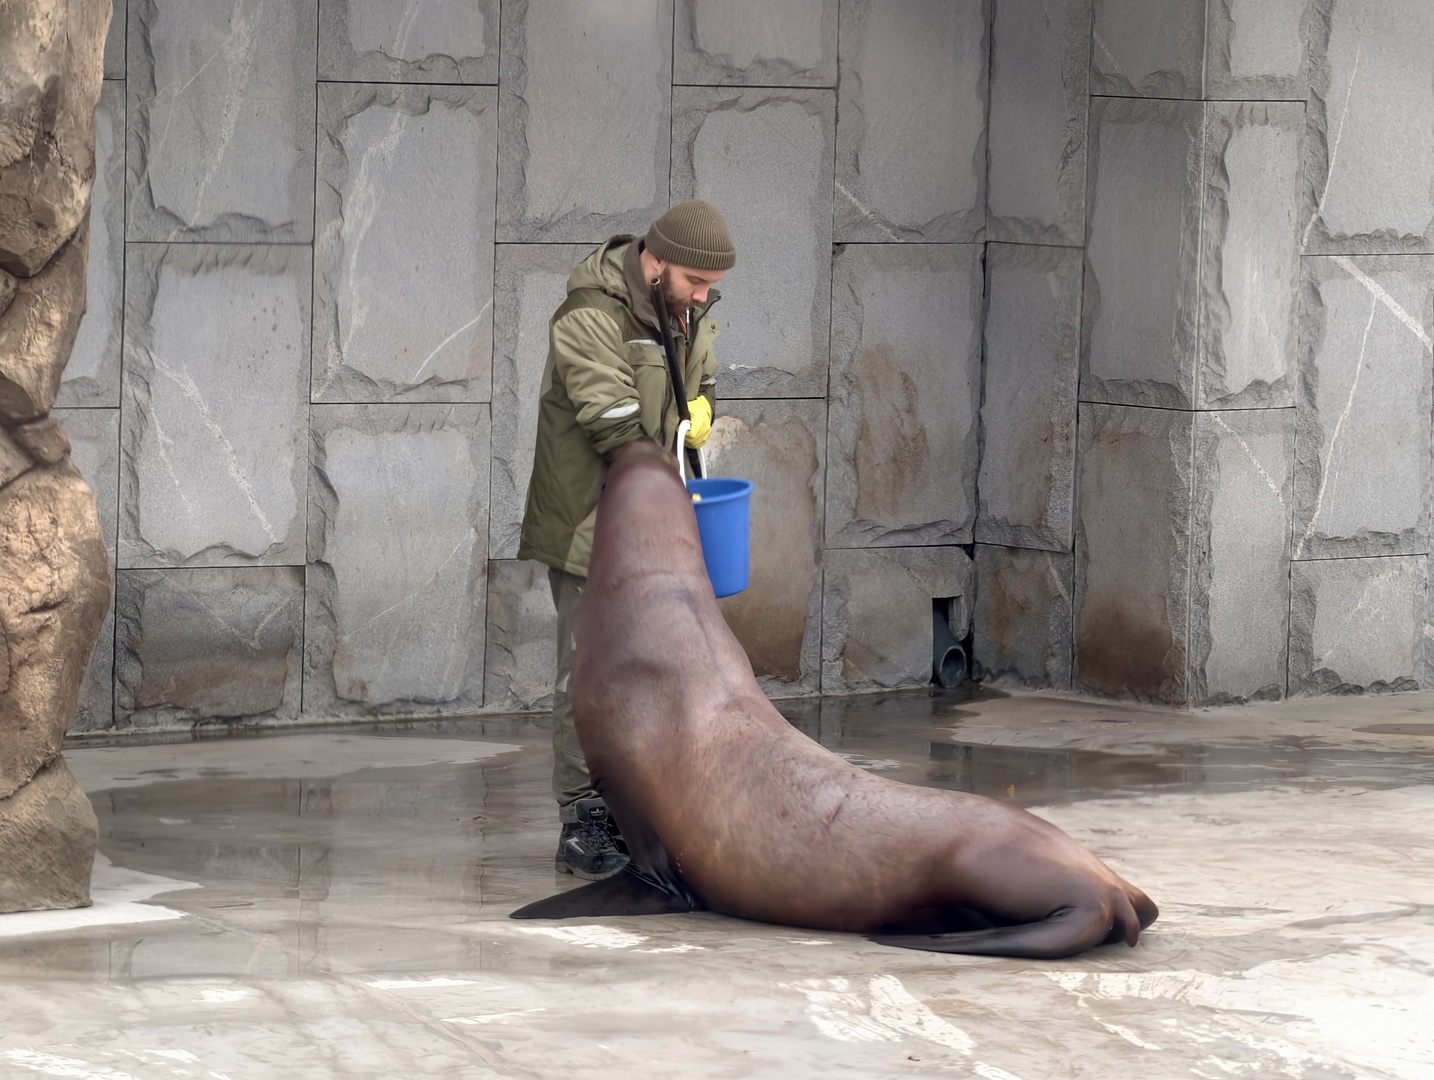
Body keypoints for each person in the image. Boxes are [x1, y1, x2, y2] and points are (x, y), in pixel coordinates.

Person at [517, 200, 736, 880]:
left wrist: (704, 408)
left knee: (650, 671)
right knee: (589, 674)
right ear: (657, 261)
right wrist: (666, 498)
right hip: (591, 523)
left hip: (649, 525)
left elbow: (700, 381)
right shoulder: (589, 313)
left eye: (711, 286)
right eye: (695, 282)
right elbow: (612, 420)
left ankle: (629, 808)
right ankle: (582, 819)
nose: (702, 296)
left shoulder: (683, 308)